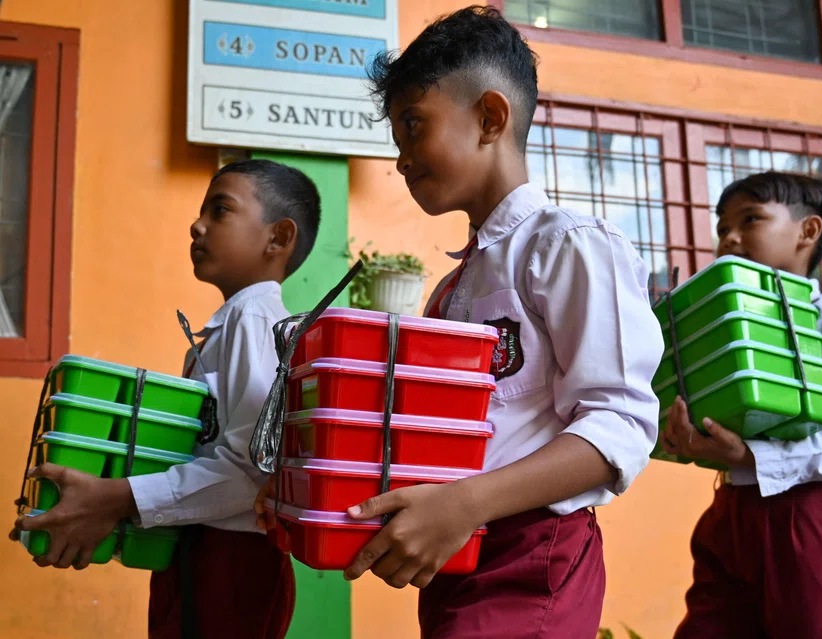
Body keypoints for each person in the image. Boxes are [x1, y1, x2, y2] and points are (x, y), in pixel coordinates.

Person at [339, 6, 662, 638]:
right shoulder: (451, 292)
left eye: (415, 126)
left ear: (490, 117)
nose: (402, 159)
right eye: (397, 139)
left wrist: (465, 502)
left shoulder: (570, 246)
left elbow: (621, 424)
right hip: (459, 550)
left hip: (534, 551)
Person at [17, 159, 321, 639]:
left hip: (234, 564)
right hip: (196, 551)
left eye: (220, 210)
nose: (197, 225)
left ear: (278, 239)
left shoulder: (255, 323)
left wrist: (115, 499)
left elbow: (253, 469)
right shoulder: (224, 331)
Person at [661, 171, 822, 639]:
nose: (729, 236)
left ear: (808, 232)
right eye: (722, 228)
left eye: (750, 219)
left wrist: (750, 456)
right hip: (728, 515)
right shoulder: (723, 324)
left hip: (808, 519)